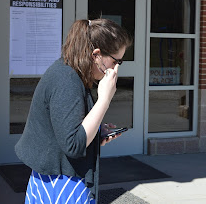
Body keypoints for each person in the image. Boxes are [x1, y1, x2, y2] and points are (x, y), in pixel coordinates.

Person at [15, 18, 132, 204]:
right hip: (60, 185)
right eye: (116, 61)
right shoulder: (67, 80)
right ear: (97, 55)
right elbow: (73, 145)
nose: (116, 69)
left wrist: (96, 131)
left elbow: (65, 129)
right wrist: (104, 99)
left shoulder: (68, 71)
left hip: (55, 178)